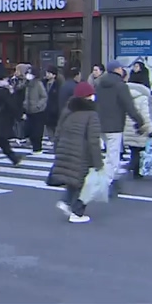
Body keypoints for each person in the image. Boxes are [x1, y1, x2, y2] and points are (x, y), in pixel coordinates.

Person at [47, 82, 103, 223]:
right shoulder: (92, 114)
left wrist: (57, 150)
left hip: (66, 150)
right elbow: (93, 141)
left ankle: (65, 202)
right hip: (82, 153)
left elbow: (58, 132)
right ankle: (77, 213)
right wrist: (98, 163)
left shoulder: (68, 110)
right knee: (84, 185)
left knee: (74, 179)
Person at [95, 60, 144, 184]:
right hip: (115, 124)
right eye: (121, 68)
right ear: (117, 69)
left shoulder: (99, 84)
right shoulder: (120, 85)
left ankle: (108, 176)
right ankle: (107, 180)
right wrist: (139, 120)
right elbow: (129, 106)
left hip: (100, 123)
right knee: (113, 154)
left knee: (107, 152)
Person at [122, 70, 152, 179]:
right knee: (139, 150)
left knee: (133, 149)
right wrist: (150, 130)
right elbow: (145, 115)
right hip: (139, 127)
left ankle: (133, 168)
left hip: (127, 126)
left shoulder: (125, 93)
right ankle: (136, 170)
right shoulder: (142, 97)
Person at [43, 65, 62, 144]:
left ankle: (55, 138)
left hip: (55, 108)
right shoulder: (43, 83)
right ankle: (51, 138)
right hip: (45, 107)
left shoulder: (58, 85)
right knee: (48, 125)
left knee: (55, 125)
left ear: (54, 75)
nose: (47, 74)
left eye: (49, 73)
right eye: (47, 73)